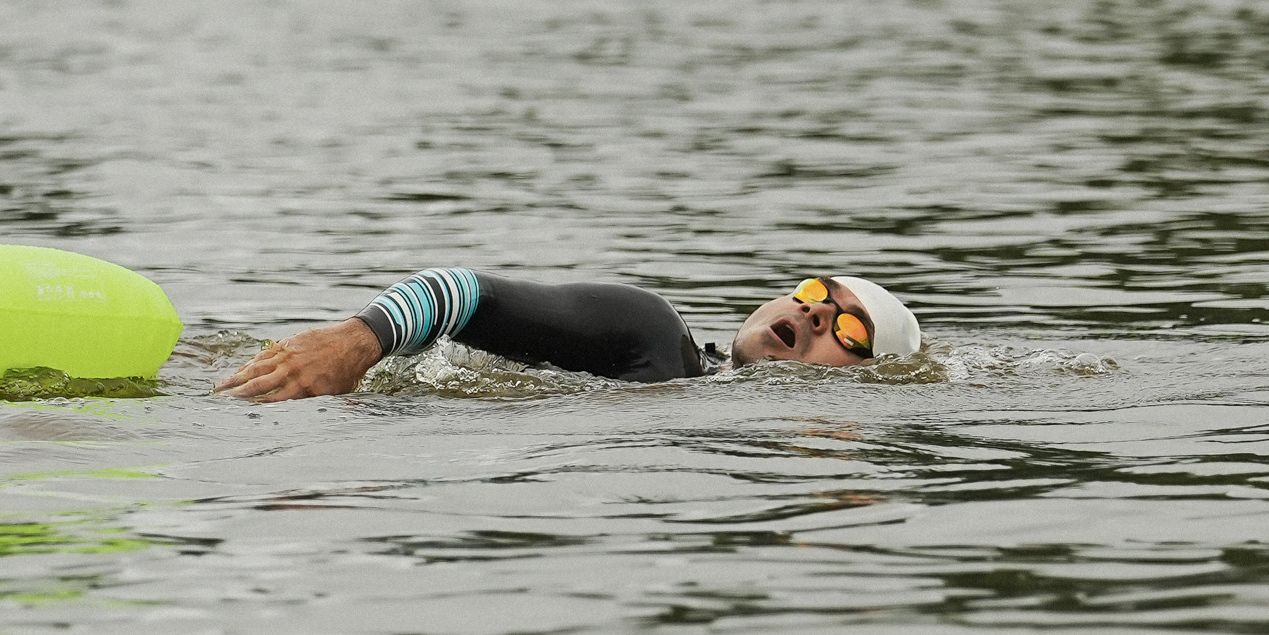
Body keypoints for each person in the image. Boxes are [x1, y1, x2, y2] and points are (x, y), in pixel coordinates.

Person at [217, 267, 920, 403]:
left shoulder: (685, 389)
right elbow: (462, 291)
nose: (819, 312)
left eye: (850, 329)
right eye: (814, 293)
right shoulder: (653, 334)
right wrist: (354, 342)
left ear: (866, 378)